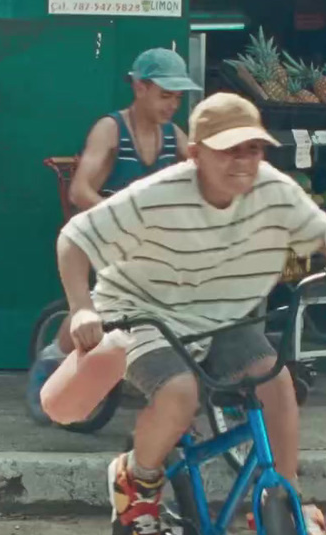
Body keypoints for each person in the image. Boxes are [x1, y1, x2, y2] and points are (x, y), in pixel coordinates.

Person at [57, 93, 326, 535]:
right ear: (195, 153)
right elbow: (74, 238)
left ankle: (286, 500)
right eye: (229, 149)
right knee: (179, 393)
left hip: (222, 312)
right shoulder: (159, 193)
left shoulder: (272, 188)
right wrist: (82, 308)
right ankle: (136, 477)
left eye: (253, 148)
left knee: (275, 379)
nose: (244, 161)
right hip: (148, 312)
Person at [25, 48, 199, 422]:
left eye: (177, 98)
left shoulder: (175, 136)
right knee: (106, 305)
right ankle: (53, 359)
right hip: (104, 233)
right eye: (165, 95)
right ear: (140, 87)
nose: (172, 105)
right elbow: (79, 191)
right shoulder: (111, 130)